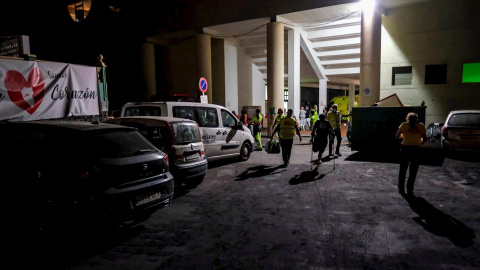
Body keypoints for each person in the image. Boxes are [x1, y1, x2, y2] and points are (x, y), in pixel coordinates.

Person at [395, 112, 427, 196]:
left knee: (403, 169)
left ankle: (401, 187)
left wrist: (404, 135)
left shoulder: (404, 125)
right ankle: (410, 189)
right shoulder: (421, 126)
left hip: (405, 148)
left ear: (408, 118)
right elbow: (425, 138)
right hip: (416, 149)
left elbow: (397, 136)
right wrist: (419, 143)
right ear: (416, 119)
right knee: (413, 170)